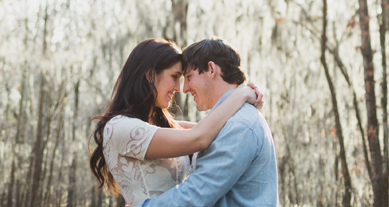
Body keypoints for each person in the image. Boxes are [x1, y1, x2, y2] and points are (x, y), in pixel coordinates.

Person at [89, 38, 263, 207]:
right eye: (175, 77)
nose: (179, 88)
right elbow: (200, 137)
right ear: (150, 76)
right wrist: (241, 94)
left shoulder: (160, 127)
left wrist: (246, 104)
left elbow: (221, 131)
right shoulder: (119, 127)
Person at [142, 37, 279, 207]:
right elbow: (189, 132)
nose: (184, 89)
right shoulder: (231, 121)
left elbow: (197, 194)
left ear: (211, 69)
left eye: (189, 77)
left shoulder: (240, 126)